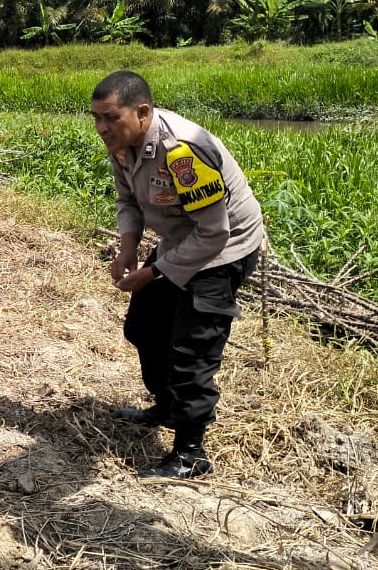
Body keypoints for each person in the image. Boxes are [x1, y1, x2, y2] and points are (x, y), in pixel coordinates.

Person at [93, 71, 264, 479]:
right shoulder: (122, 144)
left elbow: (215, 232)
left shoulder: (182, 151)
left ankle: (191, 452)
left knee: (192, 349)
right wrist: (129, 247)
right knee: (143, 326)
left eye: (111, 118)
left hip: (223, 251)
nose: (102, 128)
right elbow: (127, 200)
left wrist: (154, 271)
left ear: (143, 112)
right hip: (180, 242)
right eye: (96, 117)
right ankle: (167, 407)